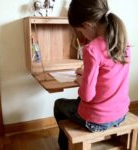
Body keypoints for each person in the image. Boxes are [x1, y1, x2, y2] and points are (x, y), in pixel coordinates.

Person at [54, 0, 130, 149]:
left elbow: (87, 96)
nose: (82, 35)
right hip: (121, 114)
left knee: (58, 105)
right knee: (76, 103)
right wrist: (87, 73)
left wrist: (80, 81)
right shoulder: (122, 40)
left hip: (97, 120)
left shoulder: (92, 49)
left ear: (88, 25)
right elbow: (109, 72)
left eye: (80, 31)